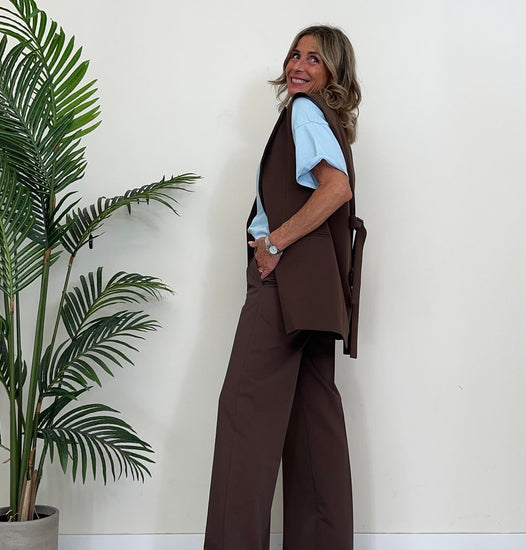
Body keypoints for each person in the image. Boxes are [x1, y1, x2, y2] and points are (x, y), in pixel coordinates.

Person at [204, 24, 365, 550]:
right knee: (315, 428)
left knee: (244, 419)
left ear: (334, 72)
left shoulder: (303, 112)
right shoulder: (326, 119)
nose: (298, 65)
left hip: (282, 283)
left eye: (314, 58)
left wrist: (273, 243)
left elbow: (335, 189)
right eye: (295, 54)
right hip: (316, 293)